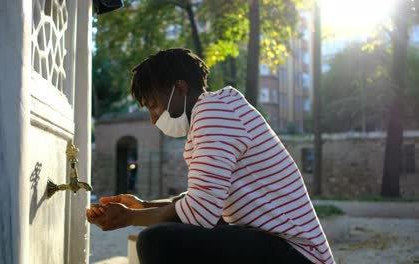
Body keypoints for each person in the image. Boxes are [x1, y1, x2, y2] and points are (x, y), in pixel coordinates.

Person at [86, 48, 335, 264]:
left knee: (157, 241)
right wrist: (145, 206)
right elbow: (204, 201)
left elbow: (201, 211)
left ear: (180, 88)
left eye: (154, 105)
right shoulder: (217, 111)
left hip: (298, 254)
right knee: (175, 228)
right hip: (278, 246)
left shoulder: (214, 112)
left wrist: (130, 217)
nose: (152, 118)